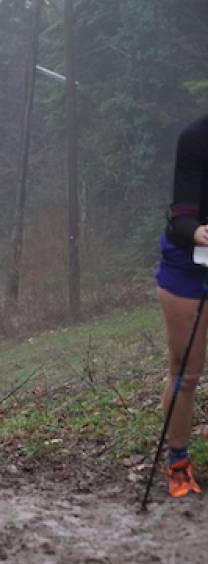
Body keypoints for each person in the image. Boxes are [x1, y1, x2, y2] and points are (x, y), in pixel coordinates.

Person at [156, 113, 208, 497]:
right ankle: (178, 461)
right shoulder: (196, 136)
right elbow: (181, 217)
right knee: (186, 373)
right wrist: (197, 232)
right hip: (190, 265)